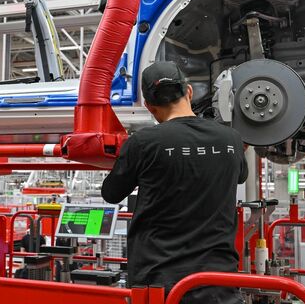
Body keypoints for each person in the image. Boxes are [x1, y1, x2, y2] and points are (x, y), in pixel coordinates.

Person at [101, 61, 248, 304]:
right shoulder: (230, 139)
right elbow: (240, 175)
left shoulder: (143, 143)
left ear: (149, 106)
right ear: (189, 92)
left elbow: (111, 193)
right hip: (219, 281)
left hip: (160, 284)